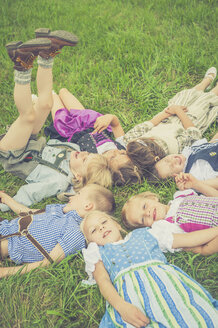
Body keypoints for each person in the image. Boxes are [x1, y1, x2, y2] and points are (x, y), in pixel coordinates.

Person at [0, 29, 113, 212]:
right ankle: (46, 54)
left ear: (77, 176)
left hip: (14, 156)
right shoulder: (74, 152)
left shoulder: (58, 182)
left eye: (85, 160)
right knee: (46, 104)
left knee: (28, 117)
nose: (84, 153)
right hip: (31, 142)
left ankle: (21, 64)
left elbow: (32, 193)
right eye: (89, 155)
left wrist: (6, 204)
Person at [81, 210, 218, 328]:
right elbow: (103, 281)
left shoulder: (148, 234)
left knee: (190, 315)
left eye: (104, 222)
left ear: (117, 225)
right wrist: (121, 306)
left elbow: (189, 239)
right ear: (91, 242)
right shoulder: (98, 253)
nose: (101, 228)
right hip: (131, 300)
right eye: (93, 230)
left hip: (169, 287)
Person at [0, 183, 115, 278]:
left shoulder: (75, 234)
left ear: (87, 205)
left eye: (78, 194)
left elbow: (46, 263)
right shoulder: (61, 210)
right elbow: (28, 213)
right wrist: (6, 199)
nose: (71, 197)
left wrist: (6, 272)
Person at [42, 87, 142, 186]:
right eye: (122, 153)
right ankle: (57, 93)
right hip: (88, 122)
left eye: (112, 157)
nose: (116, 151)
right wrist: (110, 117)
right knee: (64, 92)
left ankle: (50, 95)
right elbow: (116, 125)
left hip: (69, 131)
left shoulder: (91, 162)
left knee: (55, 102)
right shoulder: (121, 147)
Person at [122, 173, 218, 255]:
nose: (147, 213)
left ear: (152, 198)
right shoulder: (164, 228)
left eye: (144, 206)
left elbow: (214, 200)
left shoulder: (180, 196)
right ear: (145, 227)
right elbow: (191, 239)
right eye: (143, 219)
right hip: (212, 234)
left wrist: (196, 184)